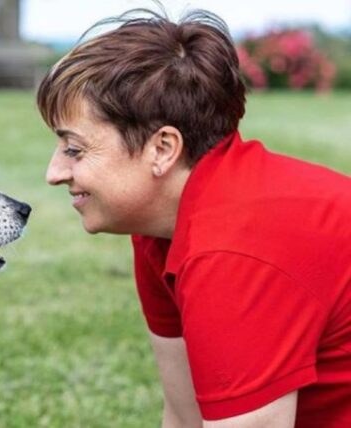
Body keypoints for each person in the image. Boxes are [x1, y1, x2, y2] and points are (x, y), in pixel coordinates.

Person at [36, 7, 351, 428]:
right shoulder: (160, 225)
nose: (54, 173)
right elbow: (185, 417)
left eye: (74, 150)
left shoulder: (233, 249)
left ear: (163, 149)